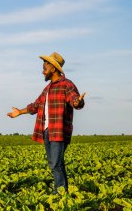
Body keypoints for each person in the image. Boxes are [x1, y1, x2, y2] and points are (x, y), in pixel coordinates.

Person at [7, 52, 85, 194]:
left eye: (45, 68)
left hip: (59, 131)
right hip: (47, 131)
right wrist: (19, 112)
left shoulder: (67, 85)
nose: (43, 71)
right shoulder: (47, 89)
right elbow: (35, 106)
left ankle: (60, 194)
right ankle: (60, 192)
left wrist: (77, 102)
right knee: (53, 163)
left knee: (56, 163)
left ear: (53, 69)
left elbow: (75, 100)